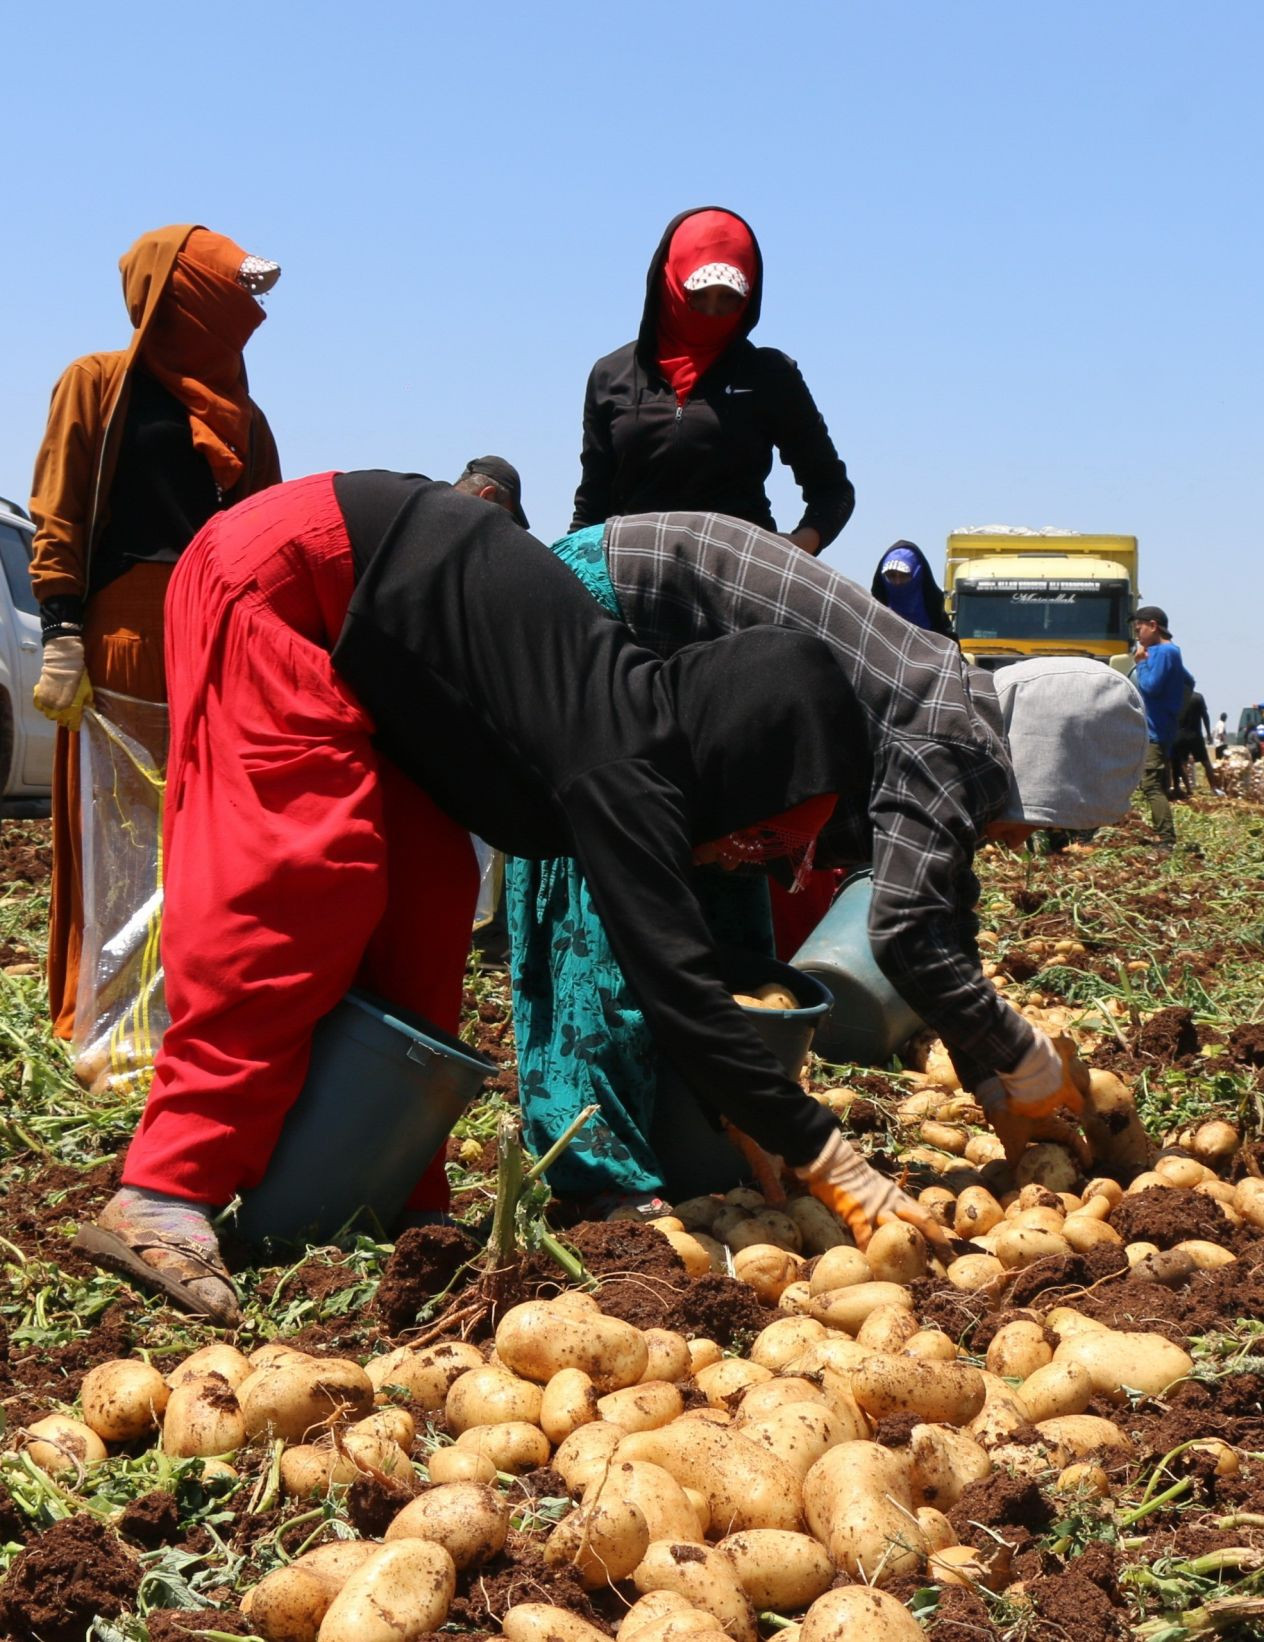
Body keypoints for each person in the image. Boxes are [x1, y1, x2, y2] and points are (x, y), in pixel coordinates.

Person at [73, 472, 970, 1326]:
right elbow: (677, 984)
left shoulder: (654, 739)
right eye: (756, 840)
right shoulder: (627, 762)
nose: (741, 861)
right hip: (282, 581)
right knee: (304, 881)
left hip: (375, 661)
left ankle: (394, 1190)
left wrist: (745, 1097)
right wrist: (834, 1161)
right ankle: (164, 1188)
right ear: (737, 765)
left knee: (429, 903)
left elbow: (681, 971)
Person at [510, 510, 1148, 1203]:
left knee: (731, 934)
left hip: (677, 640)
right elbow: (905, 931)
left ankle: (709, 1143)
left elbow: (944, 912)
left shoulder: (961, 715)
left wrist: (994, 1083)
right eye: (1039, 818)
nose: (1025, 840)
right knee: (608, 911)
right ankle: (598, 1175)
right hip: (611, 606)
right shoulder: (955, 737)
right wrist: (1025, 1059)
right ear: (1030, 759)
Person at [28, 225, 281, 1041]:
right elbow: (59, 505)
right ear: (178, 303)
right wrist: (63, 628)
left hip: (214, 638)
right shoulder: (99, 383)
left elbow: (266, 538)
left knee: (207, 833)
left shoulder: (245, 416)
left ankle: (185, 1011)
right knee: (121, 833)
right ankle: (107, 1018)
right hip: (124, 636)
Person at [570, 208, 854, 557]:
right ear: (669, 281)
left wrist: (797, 548)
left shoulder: (769, 374)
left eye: (728, 298)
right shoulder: (611, 375)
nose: (711, 312)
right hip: (634, 582)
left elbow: (832, 490)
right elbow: (591, 507)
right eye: (698, 296)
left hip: (737, 590)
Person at [1131, 605, 1195, 850]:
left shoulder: (1162, 653)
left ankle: (1166, 839)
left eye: (1139, 629)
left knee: (1151, 785)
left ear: (1153, 626)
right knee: (1149, 783)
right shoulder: (1170, 652)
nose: (1137, 635)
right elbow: (1188, 681)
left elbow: (1151, 687)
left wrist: (1140, 663)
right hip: (1159, 728)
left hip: (1155, 732)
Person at [870, 540, 955, 639]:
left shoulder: (937, 621)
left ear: (918, 575)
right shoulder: (873, 620)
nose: (898, 582)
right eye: (891, 576)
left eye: (904, 575)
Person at [1171, 686, 1221, 798]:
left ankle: (1188, 789)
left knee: (1182, 763)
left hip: (1180, 735)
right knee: (1205, 762)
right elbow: (1205, 716)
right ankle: (1214, 788)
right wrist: (1208, 733)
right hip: (1195, 735)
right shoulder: (1198, 697)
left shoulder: (1176, 698)